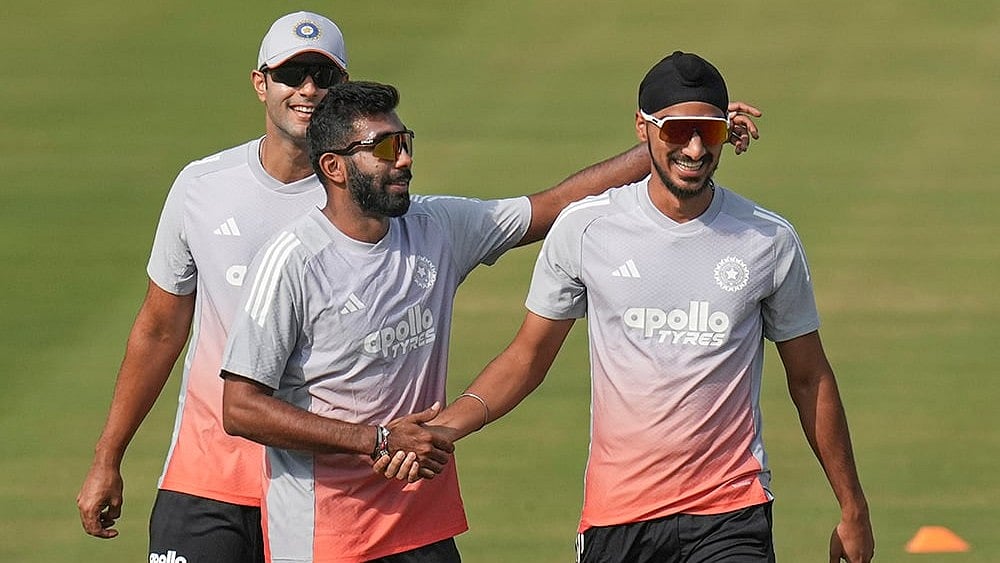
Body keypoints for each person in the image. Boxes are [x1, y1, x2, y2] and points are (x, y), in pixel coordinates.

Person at [75, 9, 757, 559]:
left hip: (406, 519)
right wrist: (109, 456)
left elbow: (545, 206)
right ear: (262, 83)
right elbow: (168, 334)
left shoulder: (429, 223)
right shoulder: (227, 205)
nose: (308, 88)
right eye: (292, 73)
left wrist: (679, 138)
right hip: (232, 490)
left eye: (324, 75)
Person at [412, 51, 876, 563]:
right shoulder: (584, 229)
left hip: (730, 512)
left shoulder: (767, 239)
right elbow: (527, 357)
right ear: (642, 128)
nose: (695, 149)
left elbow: (810, 377)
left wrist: (852, 508)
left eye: (710, 132)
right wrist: (447, 426)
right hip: (617, 519)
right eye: (677, 131)